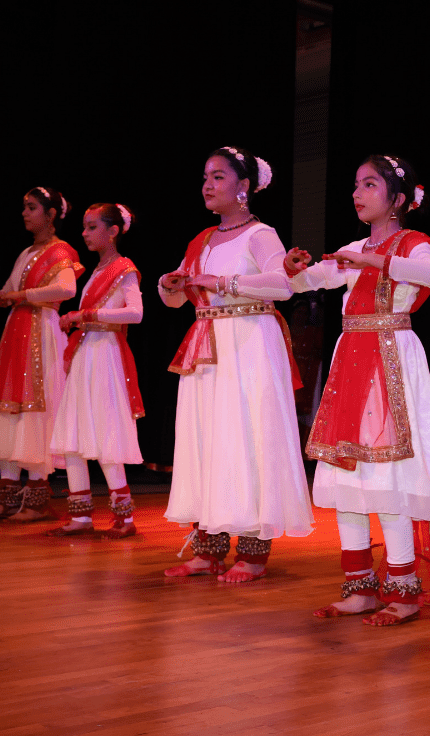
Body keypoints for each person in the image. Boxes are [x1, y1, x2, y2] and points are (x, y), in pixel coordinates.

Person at [284, 155, 430, 626]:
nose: (357, 193)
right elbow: (313, 278)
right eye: (356, 184)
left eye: (370, 184)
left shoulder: (415, 244)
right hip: (351, 358)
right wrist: (294, 267)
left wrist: (369, 259)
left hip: (391, 356)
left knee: (386, 478)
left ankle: (402, 593)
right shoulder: (353, 247)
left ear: (398, 198)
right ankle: (359, 589)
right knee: (345, 476)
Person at [160, 146, 313, 582]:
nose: (208, 185)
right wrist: (169, 285)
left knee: (247, 437)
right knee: (207, 437)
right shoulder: (201, 240)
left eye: (219, 177)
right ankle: (207, 547)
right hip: (208, 344)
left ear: (244, 187)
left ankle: (252, 550)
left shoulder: (261, 234)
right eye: (206, 177)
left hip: (249, 343)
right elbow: (175, 300)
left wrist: (224, 282)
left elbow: (283, 285)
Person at [0, 187, 82, 522]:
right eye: (24, 208)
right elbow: (12, 286)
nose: (25, 213)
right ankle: (6, 496)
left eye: (31, 208)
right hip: (16, 331)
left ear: (51, 214)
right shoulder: (26, 252)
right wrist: (4, 296)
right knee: (10, 409)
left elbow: (67, 289)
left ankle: (36, 500)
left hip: (41, 332)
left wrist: (21, 295)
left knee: (36, 409)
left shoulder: (61, 250)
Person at [45, 203, 146, 539]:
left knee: (104, 430)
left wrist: (84, 316)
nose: (85, 233)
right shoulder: (97, 270)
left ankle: (125, 518)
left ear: (113, 230)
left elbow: (135, 313)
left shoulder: (124, 268)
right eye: (85, 227)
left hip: (105, 355)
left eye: (92, 227)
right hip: (88, 353)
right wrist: (78, 319)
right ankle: (80, 516)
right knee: (73, 431)